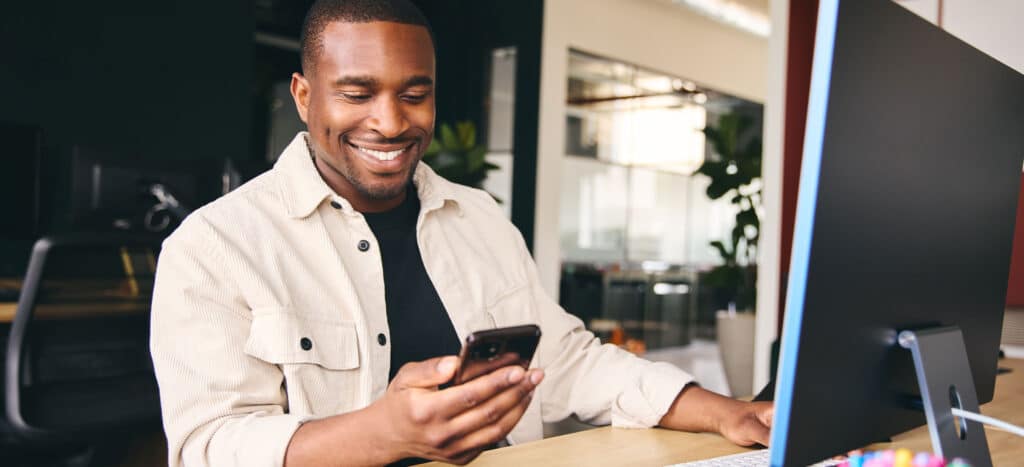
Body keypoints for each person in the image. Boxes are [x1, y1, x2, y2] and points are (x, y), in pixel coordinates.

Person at [149, 1, 773, 466]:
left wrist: (727, 412)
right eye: (357, 93)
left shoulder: (478, 217)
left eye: (414, 95)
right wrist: (385, 431)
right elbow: (207, 444)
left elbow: (568, 361)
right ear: (305, 96)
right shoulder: (215, 247)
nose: (391, 123)